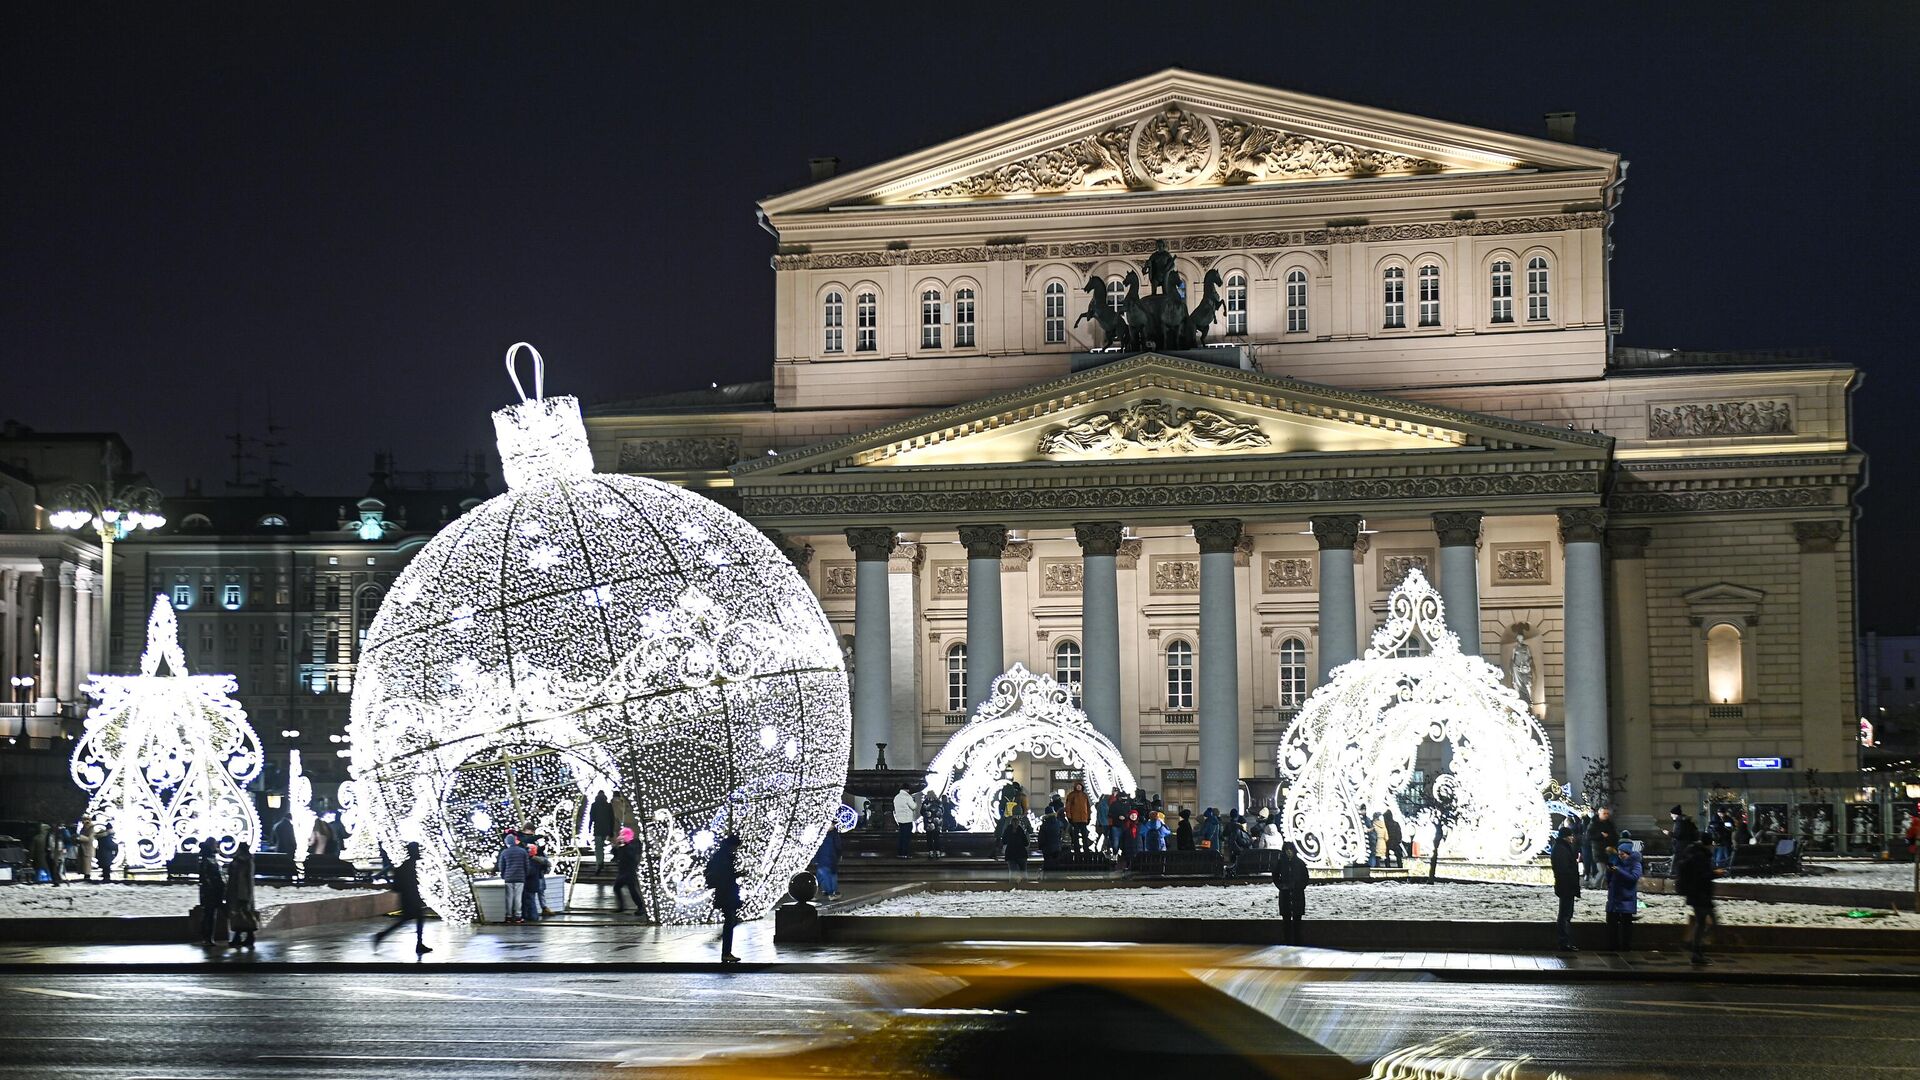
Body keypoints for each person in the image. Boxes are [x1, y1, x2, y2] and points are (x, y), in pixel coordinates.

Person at [373, 841, 432, 954]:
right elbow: (408, 884)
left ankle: (418, 944)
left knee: (413, 919)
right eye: (417, 849)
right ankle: (381, 936)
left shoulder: (409, 864)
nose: (418, 851)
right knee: (409, 919)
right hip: (409, 898)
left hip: (410, 897)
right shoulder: (408, 865)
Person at [1673, 838, 1722, 964]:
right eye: (1712, 844)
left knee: (1707, 923)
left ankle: (1694, 946)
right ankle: (1694, 949)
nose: (1713, 847)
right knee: (1705, 923)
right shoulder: (1700, 857)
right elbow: (1702, 876)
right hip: (1700, 895)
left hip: (1698, 895)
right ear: (1708, 844)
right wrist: (1715, 873)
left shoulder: (1695, 854)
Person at [704, 832, 743, 963]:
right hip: (726, 893)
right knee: (730, 921)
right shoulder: (724, 857)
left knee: (731, 920)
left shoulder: (722, 855)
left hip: (726, 892)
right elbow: (725, 876)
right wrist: (736, 875)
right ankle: (726, 952)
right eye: (735, 847)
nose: (735, 850)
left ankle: (725, 950)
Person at [1605, 836, 1642, 952]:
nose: (1621, 856)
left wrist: (1618, 871)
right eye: (1619, 854)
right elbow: (1609, 879)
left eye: (1623, 854)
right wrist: (1609, 871)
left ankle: (1625, 947)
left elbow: (1633, 878)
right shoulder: (1616, 862)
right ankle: (1612, 946)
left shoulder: (1635, 864)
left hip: (1626, 899)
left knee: (1626, 925)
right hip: (1614, 898)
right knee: (1611, 924)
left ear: (1629, 853)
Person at [1550, 825, 1581, 951]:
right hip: (1566, 886)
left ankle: (1565, 941)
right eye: (1570, 836)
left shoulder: (1561, 848)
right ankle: (1564, 942)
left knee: (1566, 914)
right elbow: (1564, 869)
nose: (1572, 838)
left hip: (1566, 886)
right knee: (1565, 915)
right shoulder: (1561, 849)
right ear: (1565, 837)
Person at [1273, 842, 1309, 945]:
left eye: (1290, 849)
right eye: (1287, 850)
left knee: (1297, 919)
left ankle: (1297, 940)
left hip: (1297, 894)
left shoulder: (1299, 863)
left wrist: (1299, 886)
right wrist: (1282, 886)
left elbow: (1305, 878)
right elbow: (1275, 877)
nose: (1289, 852)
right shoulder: (1281, 863)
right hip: (1285, 894)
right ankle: (1287, 940)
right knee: (1286, 919)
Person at [226, 842, 259, 949]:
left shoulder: (245, 861)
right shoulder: (239, 861)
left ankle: (245, 937)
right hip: (239, 891)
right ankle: (244, 937)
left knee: (243, 914)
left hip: (241, 892)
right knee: (239, 914)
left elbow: (248, 879)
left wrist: (248, 895)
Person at [196, 838, 226, 946]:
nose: (216, 846)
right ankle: (207, 937)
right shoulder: (206, 858)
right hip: (210, 892)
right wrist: (213, 887)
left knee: (211, 915)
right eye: (215, 844)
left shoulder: (210, 857)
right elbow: (205, 875)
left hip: (213, 890)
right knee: (209, 915)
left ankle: (209, 938)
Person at [611, 827, 647, 917]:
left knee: (632, 890)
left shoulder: (633, 844)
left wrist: (624, 845)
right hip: (622, 871)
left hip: (629, 871)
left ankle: (641, 907)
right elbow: (616, 854)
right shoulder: (623, 845)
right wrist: (616, 846)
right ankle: (622, 906)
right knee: (617, 888)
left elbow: (632, 856)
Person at [496, 832, 529, 924]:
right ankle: (518, 916)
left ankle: (508, 916)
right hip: (520, 878)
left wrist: (503, 875)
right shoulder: (522, 851)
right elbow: (526, 865)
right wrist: (525, 875)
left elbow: (501, 866)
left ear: (507, 843)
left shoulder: (504, 852)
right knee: (518, 898)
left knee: (509, 897)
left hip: (508, 878)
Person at [1587, 807, 1618, 885]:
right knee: (1602, 871)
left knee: (1606, 872)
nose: (1606, 815)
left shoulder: (1610, 824)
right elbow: (1588, 836)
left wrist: (1608, 836)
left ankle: (1599, 887)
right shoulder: (1593, 823)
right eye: (1604, 813)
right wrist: (1601, 835)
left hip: (1609, 851)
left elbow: (1615, 836)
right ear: (1599, 813)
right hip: (1598, 850)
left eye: (1607, 813)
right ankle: (1593, 884)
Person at [813, 823, 842, 901]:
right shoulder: (833, 835)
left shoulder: (824, 834)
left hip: (827, 858)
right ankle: (830, 892)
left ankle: (821, 892)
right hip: (826, 858)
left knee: (824, 876)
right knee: (826, 876)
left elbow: (837, 847)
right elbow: (838, 847)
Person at [522, 843, 549, 923]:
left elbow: (529, 872)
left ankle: (532, 916)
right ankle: (542, 909)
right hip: (538, 879)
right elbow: (546, 864)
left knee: (530, 899)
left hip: (531, 881)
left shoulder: (532, 860)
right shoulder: (539, 859)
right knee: (537, 896)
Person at [1003, 814, 1031, 883]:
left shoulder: (1007, 830)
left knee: (1012, 873)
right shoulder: (1020, 830)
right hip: (1021, 854)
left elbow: (1004, 841)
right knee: (1024, 872)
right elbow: (1026, 843)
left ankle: (1012, 887)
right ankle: (1025, 887)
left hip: (1010, 854)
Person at [590, 792, 615, 869]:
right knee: (606, 844)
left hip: (597, 828)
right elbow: (612, 818)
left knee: (598, 847)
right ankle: (612, 858)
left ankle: (600, 862)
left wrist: (589, 826)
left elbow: (592, 817)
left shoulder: (594, 805)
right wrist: (611, 829)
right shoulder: (608, 805)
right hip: (606, 828)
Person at [1065, 781, 1092, 852]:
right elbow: (1068, 807)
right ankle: (1077, 848)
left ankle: (1085, 847)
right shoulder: (1071, 795)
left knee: (1084, 835)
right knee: (1076, 835)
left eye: (1080, 786)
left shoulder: (1084, 795)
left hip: (1083, 818)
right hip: (1075, 818)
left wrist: (1088, 817)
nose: (1079, 787)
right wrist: (1069, 817)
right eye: (1077, 786)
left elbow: (1088, 807)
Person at [893, 787, 918, 859]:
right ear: (907, 789)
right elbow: (913, 807)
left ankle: (900, 853)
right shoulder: (908, 797)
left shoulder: (896, 797)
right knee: (906, 838)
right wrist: (915, 803)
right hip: (907, 819)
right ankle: (905, 853)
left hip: (900, 820)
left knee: (901, 837)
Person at [921, 790, 945, 859]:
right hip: (937, 824)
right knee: (937, 838)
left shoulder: (925, 803)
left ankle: (930, 852)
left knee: (929, 838)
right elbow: (942, 811)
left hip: (928, 824)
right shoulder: (939, 802)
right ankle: (938, 852)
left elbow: (922, 812)